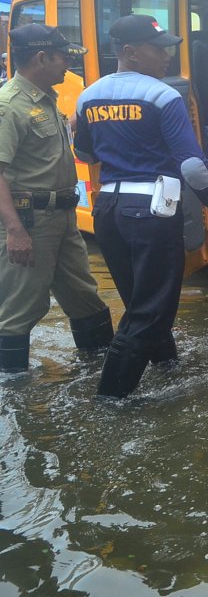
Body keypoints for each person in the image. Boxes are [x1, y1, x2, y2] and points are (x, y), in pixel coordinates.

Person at [74, 15, 208, 398]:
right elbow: (193, 166)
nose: (167, 55)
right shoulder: (163, 96)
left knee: (138, 300)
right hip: (152, 209)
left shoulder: (88, 96)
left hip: (109, 209)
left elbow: (84, 151)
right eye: (158, 48)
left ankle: (167, 365)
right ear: (130, 52)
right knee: (153, 309)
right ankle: (111, 397)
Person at [0, 25, 113, 372]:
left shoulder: (45, 97)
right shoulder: (10, 106)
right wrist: (15, 231)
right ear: (41, 57)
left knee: (85, 297)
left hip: (62, 218)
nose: (69, 65)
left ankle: (103, 373)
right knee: (20, 309)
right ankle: (14, 394)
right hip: (30, 222)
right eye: (64, 57)